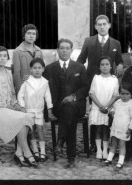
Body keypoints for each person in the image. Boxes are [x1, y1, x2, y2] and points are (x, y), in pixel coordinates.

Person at [0, 46, 38, 168]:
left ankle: (19, 152)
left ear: (7, 58)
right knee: (20, 119)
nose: (2, 58)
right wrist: (6, 106)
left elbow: (12, 93)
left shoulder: (8, 73)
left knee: (27, 116)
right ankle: (27, 152)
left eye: (4, 56)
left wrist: (15, 104)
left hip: (7, 108)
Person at [77, 14, 124, 152]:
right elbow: (81, 60)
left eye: (105, 24)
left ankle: (107, 142)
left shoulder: (116, 43)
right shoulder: (89, 41)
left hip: (109, 84)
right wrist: (80, 76)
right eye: (99, 24)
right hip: (94, 83)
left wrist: (120, 65)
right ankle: (94, 144)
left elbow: (119, 59)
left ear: (109, 25)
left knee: (109, 111)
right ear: (95, 27)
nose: (102, 27)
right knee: (95, 112)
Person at [43, 38, 89, 168]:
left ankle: (60, 142)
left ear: (71, 50)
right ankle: (70, 157)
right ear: (57, 50)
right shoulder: (50, 69)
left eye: (67, 48)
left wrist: (73, 96)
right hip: (58, 106)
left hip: (77, 104)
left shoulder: (79, 67)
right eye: (61, 48)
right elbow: (43, 87)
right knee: (69, 116)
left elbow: (85, 88)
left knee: (70, 109)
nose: (64, 50)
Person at [17, 57, 53, 162]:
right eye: (34, 68)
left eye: (39, 68)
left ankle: (42, 151)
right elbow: (20, 95)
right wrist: (22, 106)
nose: (37, 70)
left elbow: (48, 96)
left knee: (40, 129)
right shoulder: (27, 82)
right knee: (31, 131)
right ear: (31, 69)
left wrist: (50, 107)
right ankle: (35, 150)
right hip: (28, 110)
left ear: (43, 69)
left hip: (39, 110)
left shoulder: (45, 82)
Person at [88, 56, 119, 160]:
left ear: (111, 66)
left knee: (106, 129)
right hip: (98, 107)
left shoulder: (114, 80)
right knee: (98, 128)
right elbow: (92, 93)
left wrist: (107, 106)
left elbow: (115, 95)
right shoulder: (96, 78)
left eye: (107, 64)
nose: (104, 66)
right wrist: (101, 106)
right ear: (99, 67)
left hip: (108, 108)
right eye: (102, 64)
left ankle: (105, 150)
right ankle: (99, 150)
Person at [103, 83, 132, 171]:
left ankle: (120, 162)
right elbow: (113, 108)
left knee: (122, 144)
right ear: (120, 94)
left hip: (124, 128)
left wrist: (130, 129)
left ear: (131, 94)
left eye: (127, 94)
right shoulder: (118, 102)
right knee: (113, 143)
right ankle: (109, 159)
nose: (124, 96)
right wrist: (112, 111)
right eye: (122, 94)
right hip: (115, 126)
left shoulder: (131, 106)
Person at [13, 24, 44, 94]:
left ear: (36, 36)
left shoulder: (39, 51)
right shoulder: (17, 52)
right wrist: (20, 92)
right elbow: (16, 75)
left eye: (33, 34)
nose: (31, 36)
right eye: (29, 33)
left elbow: (42, 70)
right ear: (24, 35)